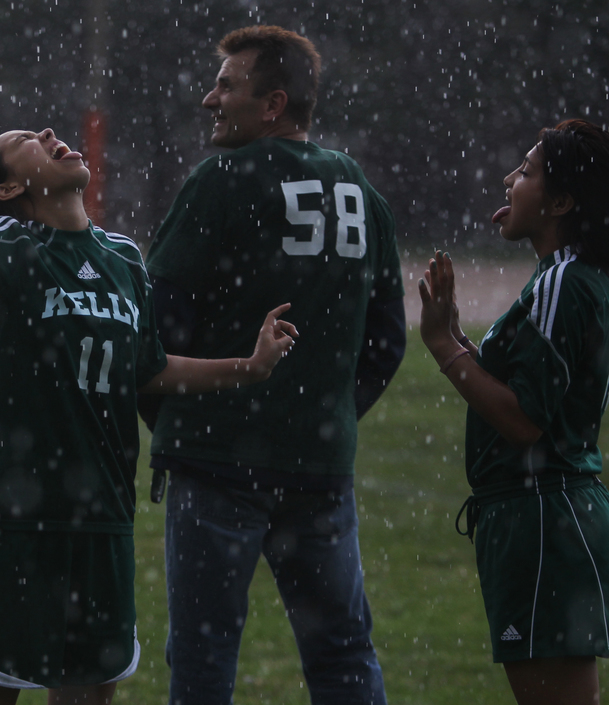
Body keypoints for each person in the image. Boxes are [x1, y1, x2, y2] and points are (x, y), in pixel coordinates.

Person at [0, 83, 297, 705]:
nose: (44, 134)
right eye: (22, 143)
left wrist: (248, 367)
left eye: (39, 129)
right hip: (8, 524)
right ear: (10, 190)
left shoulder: (123, 258)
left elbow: (147, 370)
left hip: (102, 524)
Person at [138, 26, 405, 705]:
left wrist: (180, 420)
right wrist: (325, 416)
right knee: (344, 653)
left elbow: (154, 335)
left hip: (218, 464)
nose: (209, 99)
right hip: (319, 471)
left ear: (273, 104)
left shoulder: (221, 180)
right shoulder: (361, 190)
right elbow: (387, 339)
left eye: (226, 85)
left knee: (202, 661)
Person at [418, 119, 609, 705]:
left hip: (544, 519)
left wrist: (444, 349)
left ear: (562, 202)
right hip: (559, 514)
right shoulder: (578, 280)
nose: (509, 179)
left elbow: (525, 419)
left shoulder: (563, 282)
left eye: (527, 172)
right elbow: (539, 394)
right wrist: (457, 339)